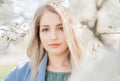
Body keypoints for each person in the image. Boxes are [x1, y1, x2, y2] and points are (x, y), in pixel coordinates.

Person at [3, 0, 83, 81]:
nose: (53, 37)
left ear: (71, 31)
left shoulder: (89, 71)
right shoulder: (22, 71)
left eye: (61, 28)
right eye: (45, 30)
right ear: (38, 34)